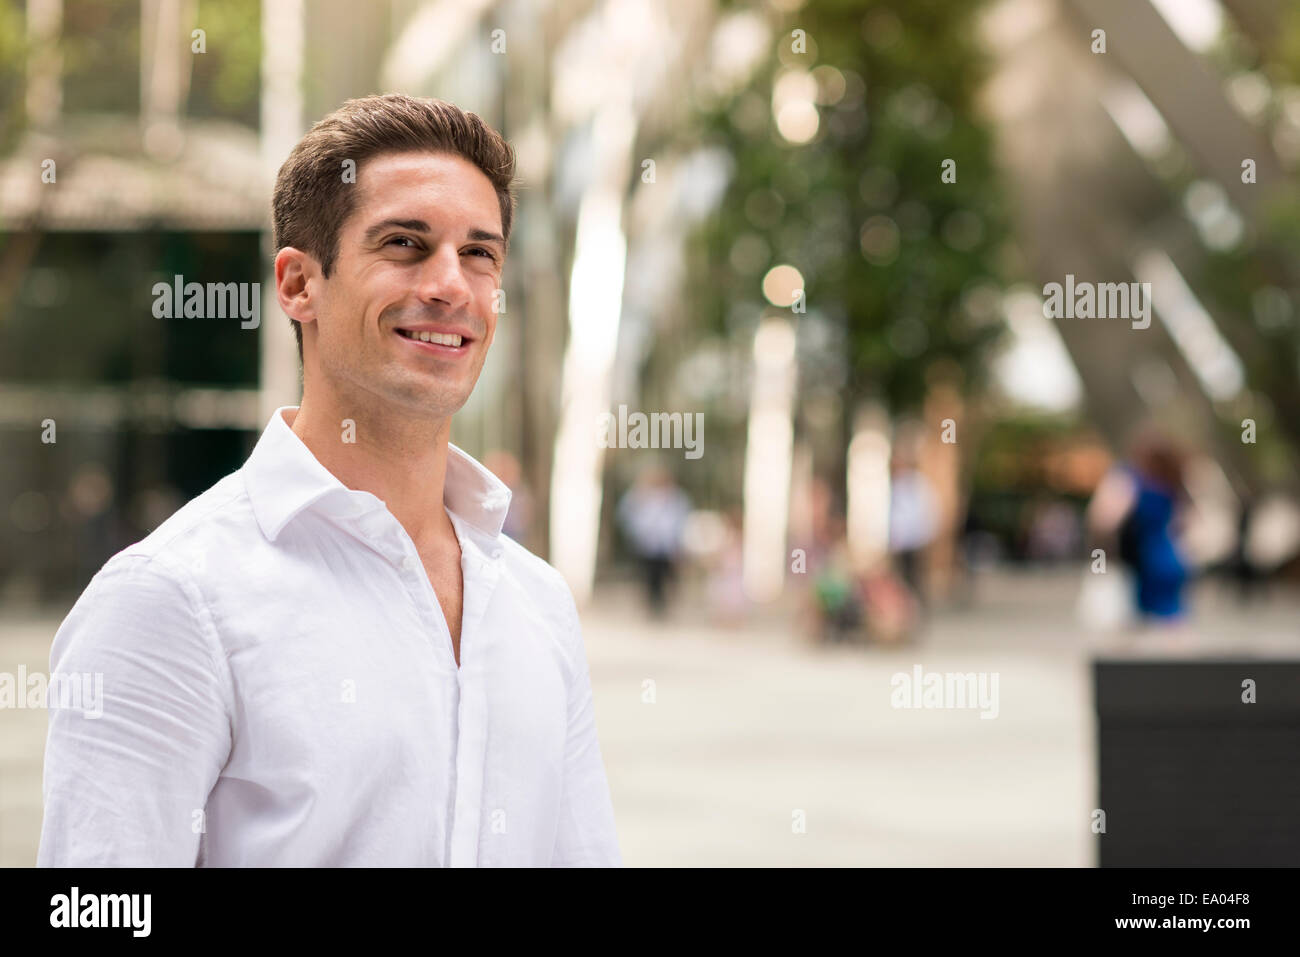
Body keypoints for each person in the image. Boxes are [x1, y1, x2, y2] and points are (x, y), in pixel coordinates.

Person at [38, 94, 620, 867]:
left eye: (479, 253)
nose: (452, 285)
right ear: (298, 284)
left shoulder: (536, 603)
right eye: (406, 244)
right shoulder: (172, 598)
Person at [615, 466, 691, 618]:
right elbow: (626, 513)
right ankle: (652, 605)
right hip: (647, 545)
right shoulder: (641, 495)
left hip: (667, 546)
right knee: (649, 576)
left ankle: (664, 605)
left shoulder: (676, 498)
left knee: (667, 576)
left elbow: (682, 520)